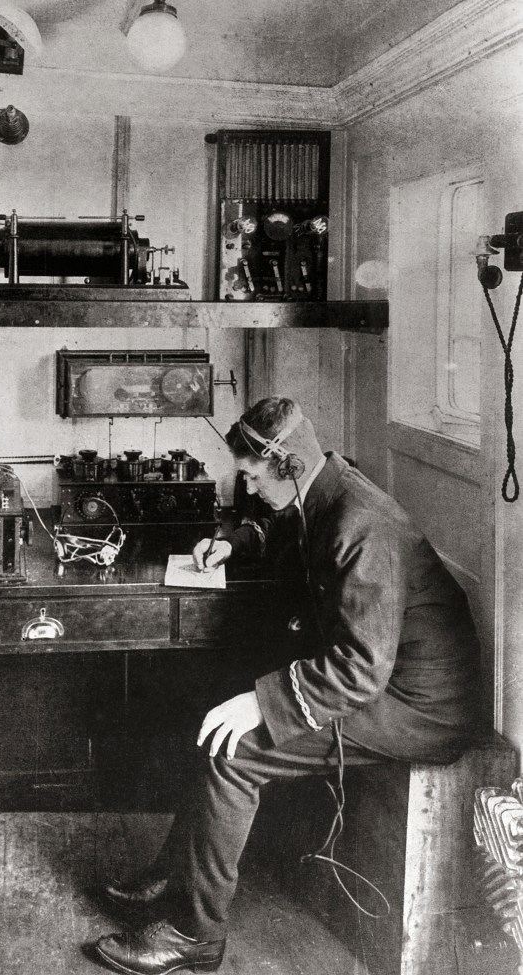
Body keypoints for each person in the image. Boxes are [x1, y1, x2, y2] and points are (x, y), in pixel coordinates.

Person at [93, 396, 484, 975]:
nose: (248, 489)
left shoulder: (363, 525)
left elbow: (361, 669)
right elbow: (283, 524)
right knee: (221, 712)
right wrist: (232, 543)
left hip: (416, 706)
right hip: (385, 684)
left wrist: (262, 701)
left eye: (251, 474)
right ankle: (180, 874)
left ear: (286, 465)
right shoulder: (329, 487)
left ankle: (193, 936)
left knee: (235, 752)